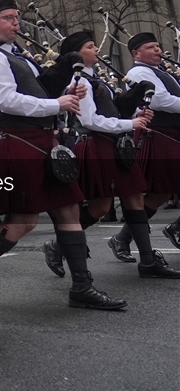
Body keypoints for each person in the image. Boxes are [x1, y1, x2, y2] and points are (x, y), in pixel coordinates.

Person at [0, 0, 125, 310]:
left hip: (39, 141)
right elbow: (7, 101)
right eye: (8, 18)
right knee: (23, 220)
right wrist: (57, 105)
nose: (16, 23)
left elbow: (36, 93)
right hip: (13, 143)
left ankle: (82, 287)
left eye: (16, 17)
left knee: (69, 209)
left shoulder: (19, 57)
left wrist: (65, 92)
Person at [39, 32, 178, 279]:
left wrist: (133, 109)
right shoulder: (79, 82)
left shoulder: (97, 79)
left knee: (135, 199)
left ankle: (147, 261)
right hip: (96, 146)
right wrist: (130, 124)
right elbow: (90, 121)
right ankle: (57, 246)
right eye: (90, 46)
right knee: (101, 206)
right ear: (76, 54)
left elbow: (112, 112)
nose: (97, 50)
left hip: (115, 145)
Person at [107, 33, 180, 259]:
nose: (158, 50)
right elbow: (160, 101)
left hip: (172, 135)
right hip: (160, 134)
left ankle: (124, 238)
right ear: (136, 53)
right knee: (159, 192)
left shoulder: (162, 72)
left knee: (161, 192)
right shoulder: (138, 72)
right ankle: (124, 238)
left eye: (158, 46)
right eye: (151, 47)